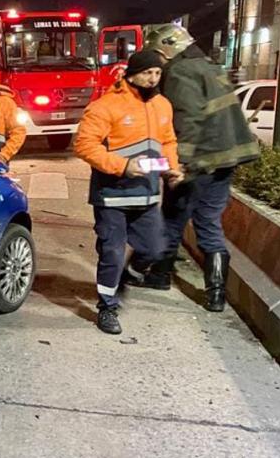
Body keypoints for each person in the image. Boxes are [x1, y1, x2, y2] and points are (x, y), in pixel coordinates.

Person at [130, 25, 261, 312]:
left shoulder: (180, 71)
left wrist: (181, 165)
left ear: (166, 48)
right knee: (209, 221)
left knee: (173, 217)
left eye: (157, 54)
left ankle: (159, 274)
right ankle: (216, 295)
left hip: (200, 160)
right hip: (225, 159)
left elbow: (188, 119)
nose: (157, 64)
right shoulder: (210, 67)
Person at [74, 50, 184, 334]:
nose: (153, 79)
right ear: (132, 74)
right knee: (112, 252)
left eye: (157, 73)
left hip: (147, 195)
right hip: (112, 196)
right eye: (147, 72)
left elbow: (168, 140)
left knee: (155, 248)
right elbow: (85, 145)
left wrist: (172, 168)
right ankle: (107, 308)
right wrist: (122, 166)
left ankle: (122, 275)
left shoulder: (163, 105)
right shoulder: (105, 106)